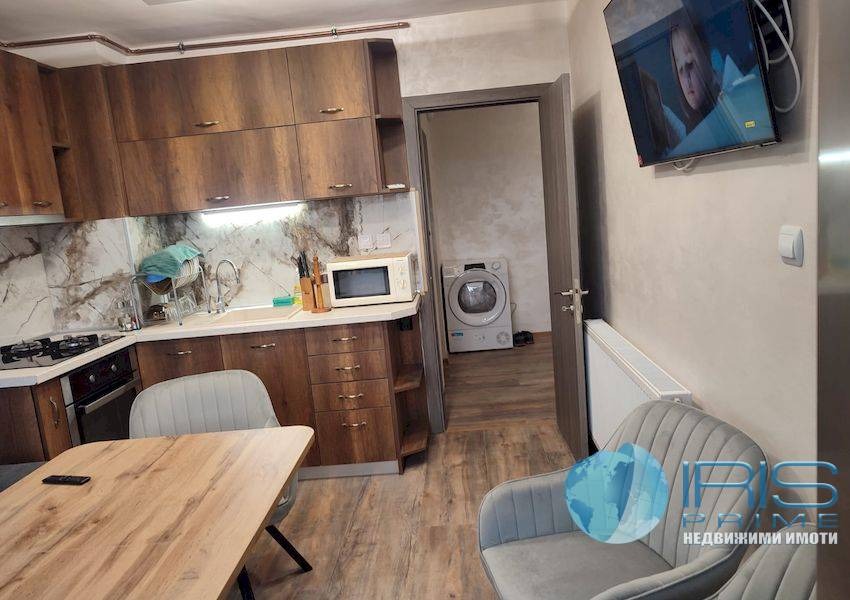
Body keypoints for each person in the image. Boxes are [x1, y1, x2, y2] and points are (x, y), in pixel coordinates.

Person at [668, 13, 720, 133]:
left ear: (705, 53)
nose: (686, 76)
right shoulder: (692, 131)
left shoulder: (730, 99)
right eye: (679, 68)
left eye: (690, 62)